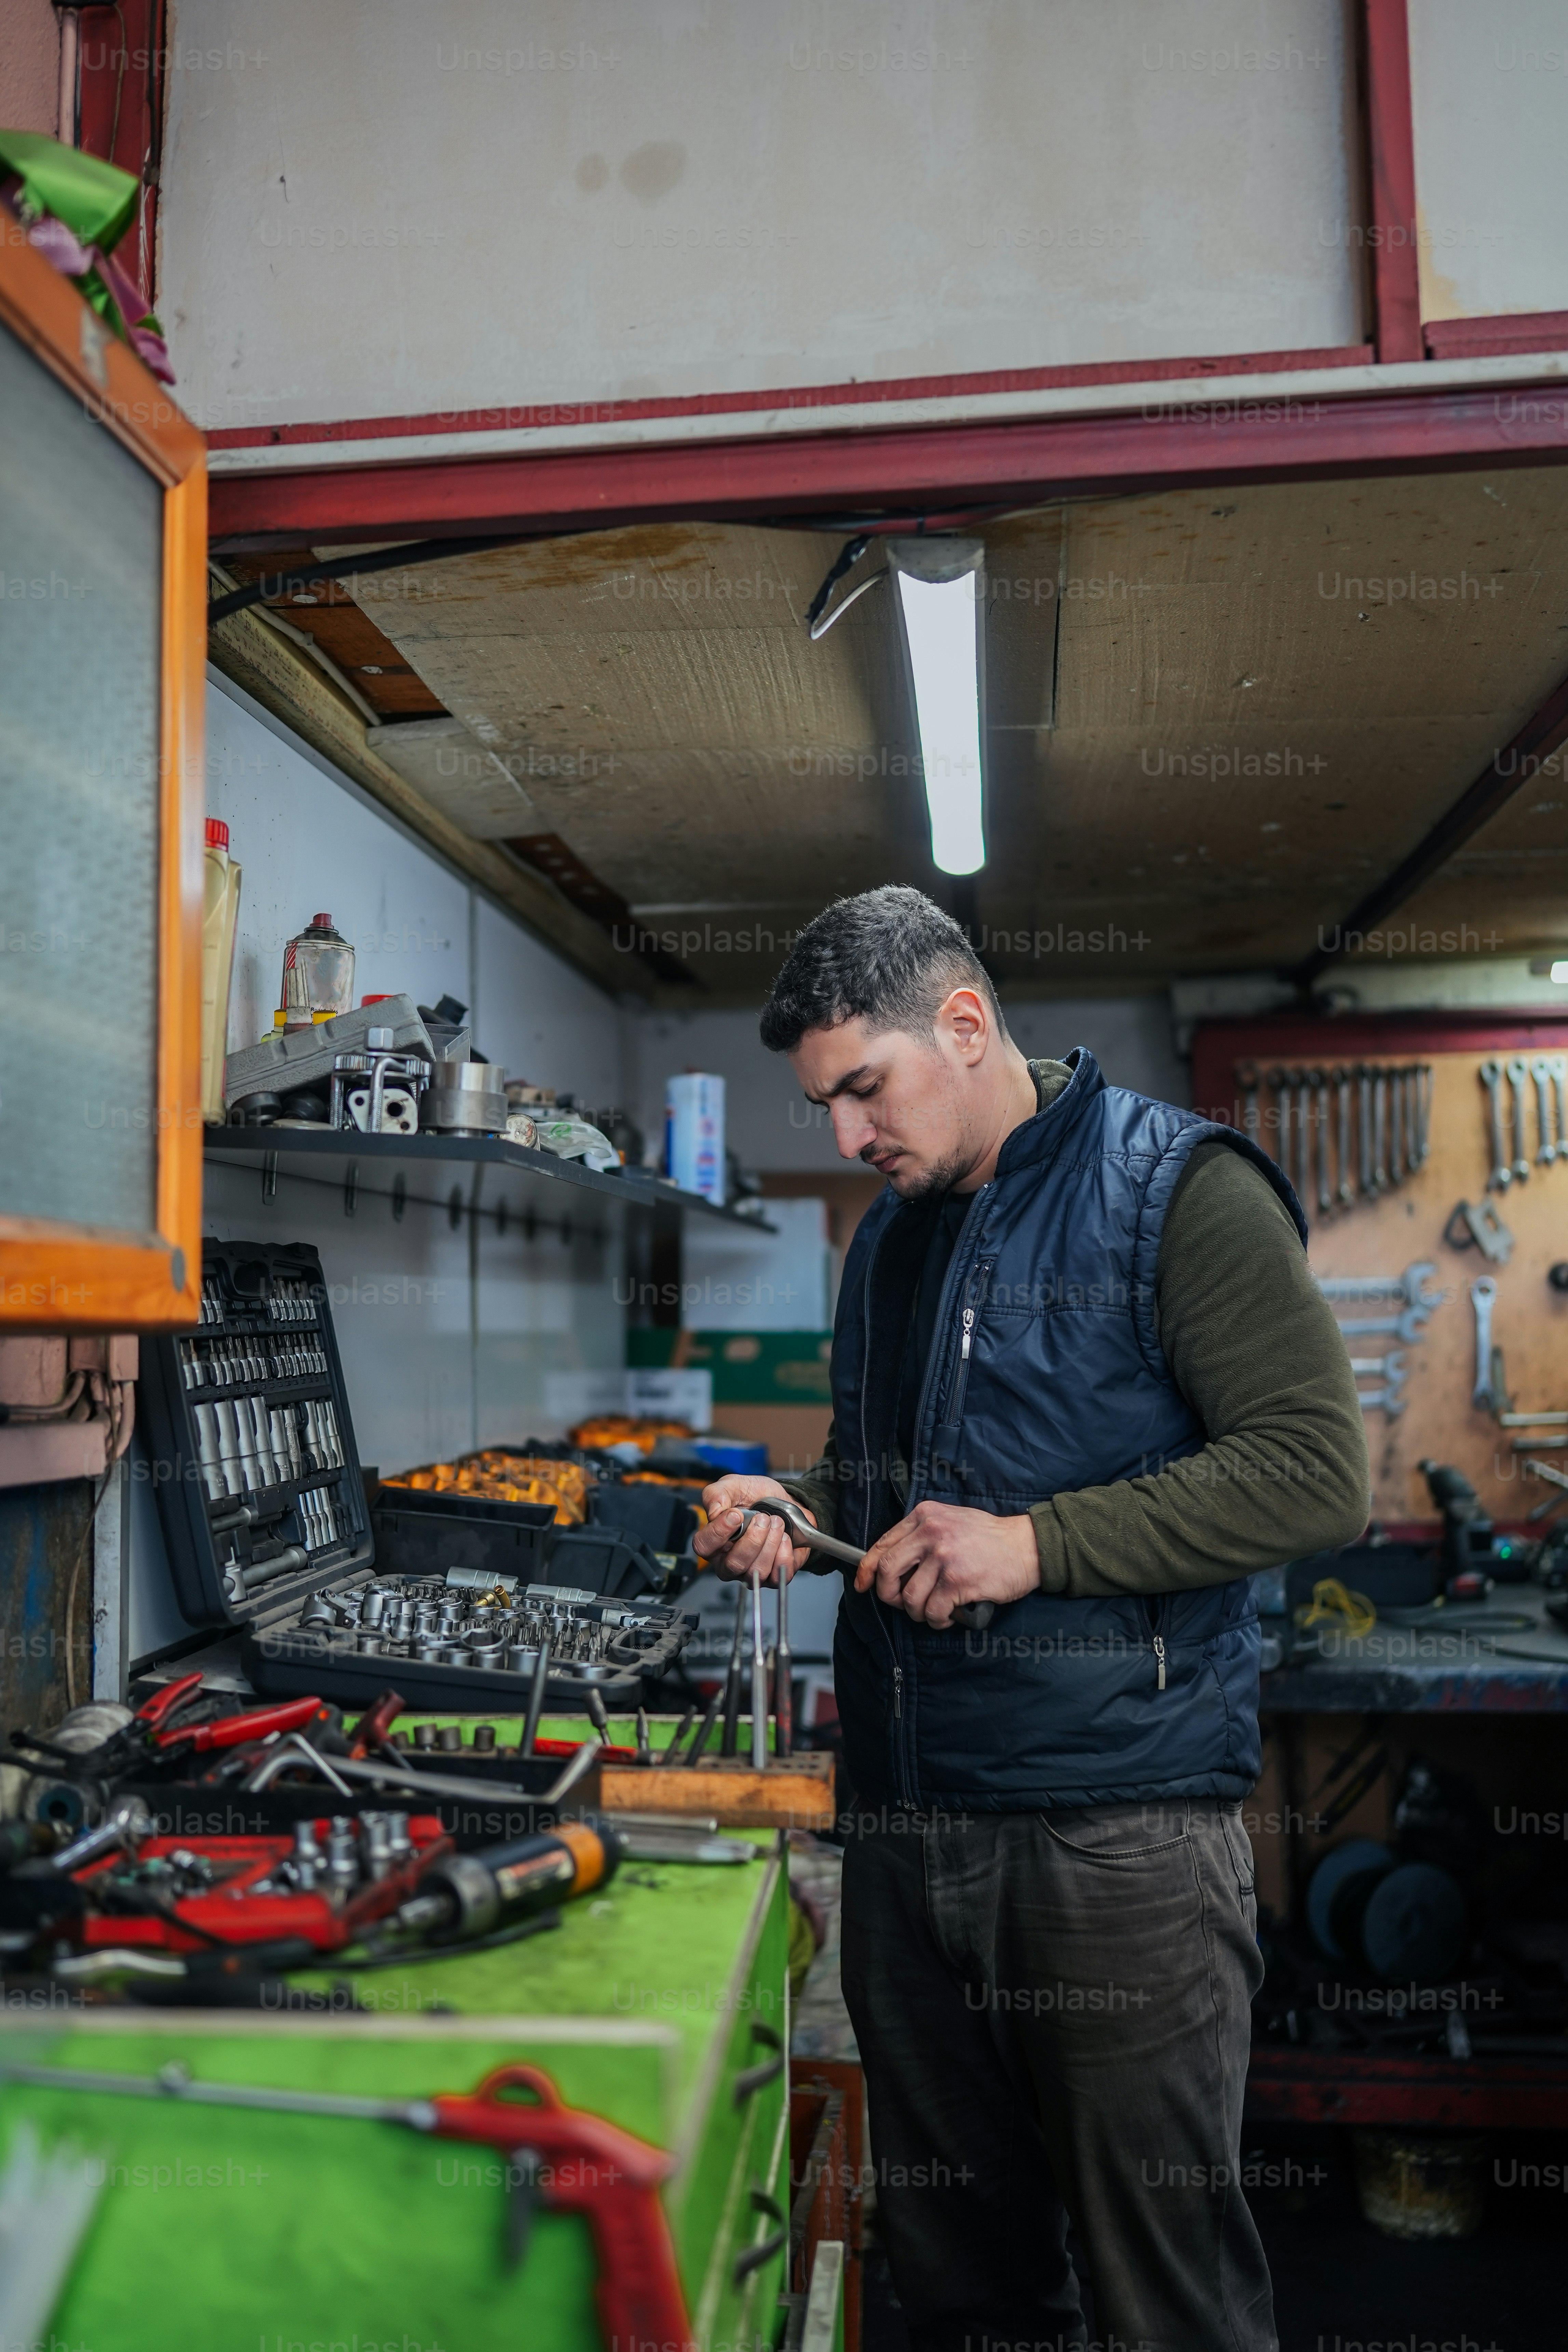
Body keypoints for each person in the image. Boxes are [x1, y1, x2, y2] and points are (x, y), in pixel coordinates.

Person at [693, 886, 1368, 2352]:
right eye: (824, 1104)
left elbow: (1317, 1468)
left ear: (966, 1021)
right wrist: (791, 1514)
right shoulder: (893, 1235)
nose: (847, 1138)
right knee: (958, 2283)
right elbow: (893, 1487)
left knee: (1161, 2291)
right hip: (905, 1828)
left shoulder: (1177, 1190)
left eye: (862, 1089)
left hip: (1109, 1840)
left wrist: (1038, 1544)